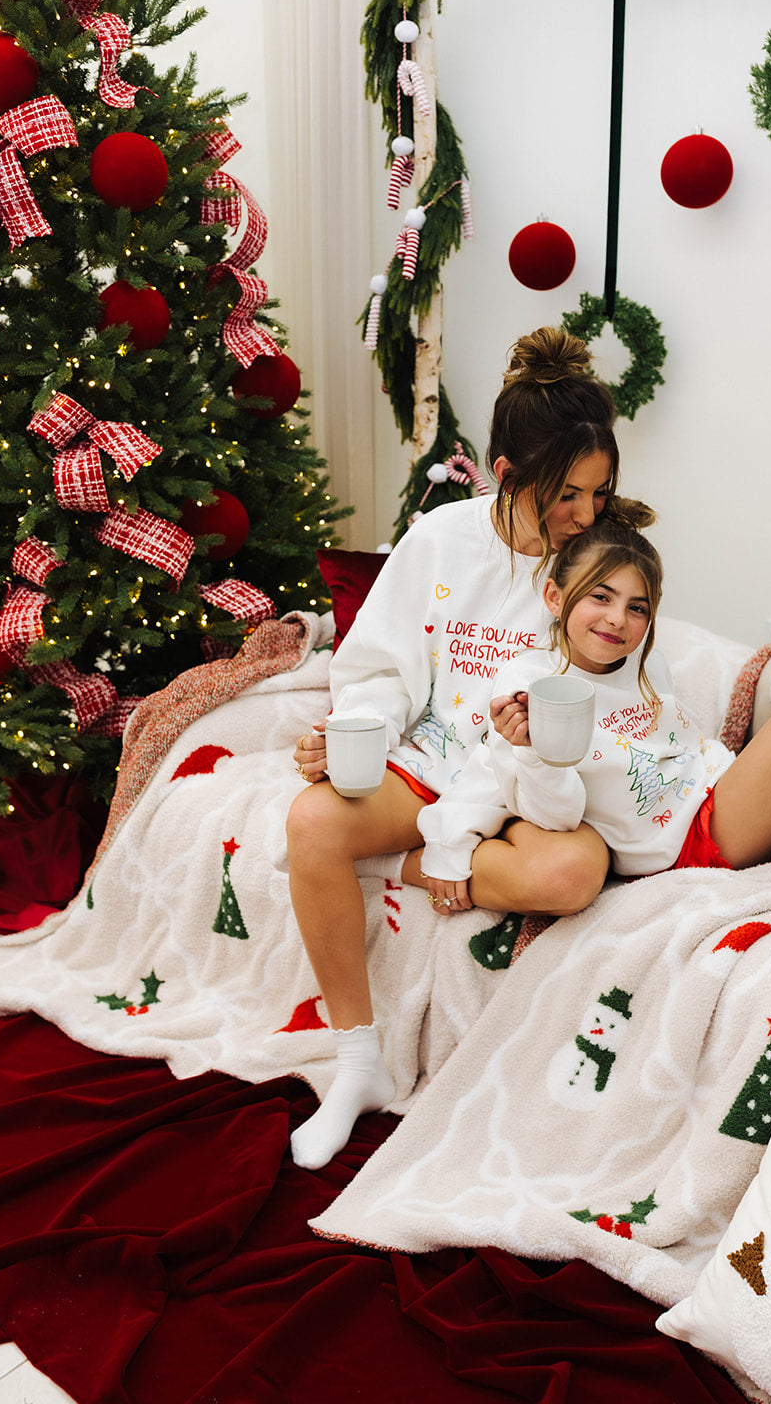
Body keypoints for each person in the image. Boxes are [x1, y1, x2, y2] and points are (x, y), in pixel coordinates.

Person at [285, 327, 625, 1169]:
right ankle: (359, 1063)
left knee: (569, 875)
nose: (586, 515)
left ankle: (387, 866)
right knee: (311, 822)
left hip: (523, 781)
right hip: (430, 762)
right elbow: (379, 666)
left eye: (599, 494)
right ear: (507, 474)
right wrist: (350, 733)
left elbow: (615, 669)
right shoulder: (440, 539)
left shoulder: (593, 563)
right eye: (569, 495)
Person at [419, 502, 771, 897]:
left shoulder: (640, 662)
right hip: (699, 835)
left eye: (638, 607)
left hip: (734, 796)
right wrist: (529, 760)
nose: (618, 618)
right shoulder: (527, 688)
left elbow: (677, 745)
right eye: (601, 597)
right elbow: (545, 811)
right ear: (554, 595)